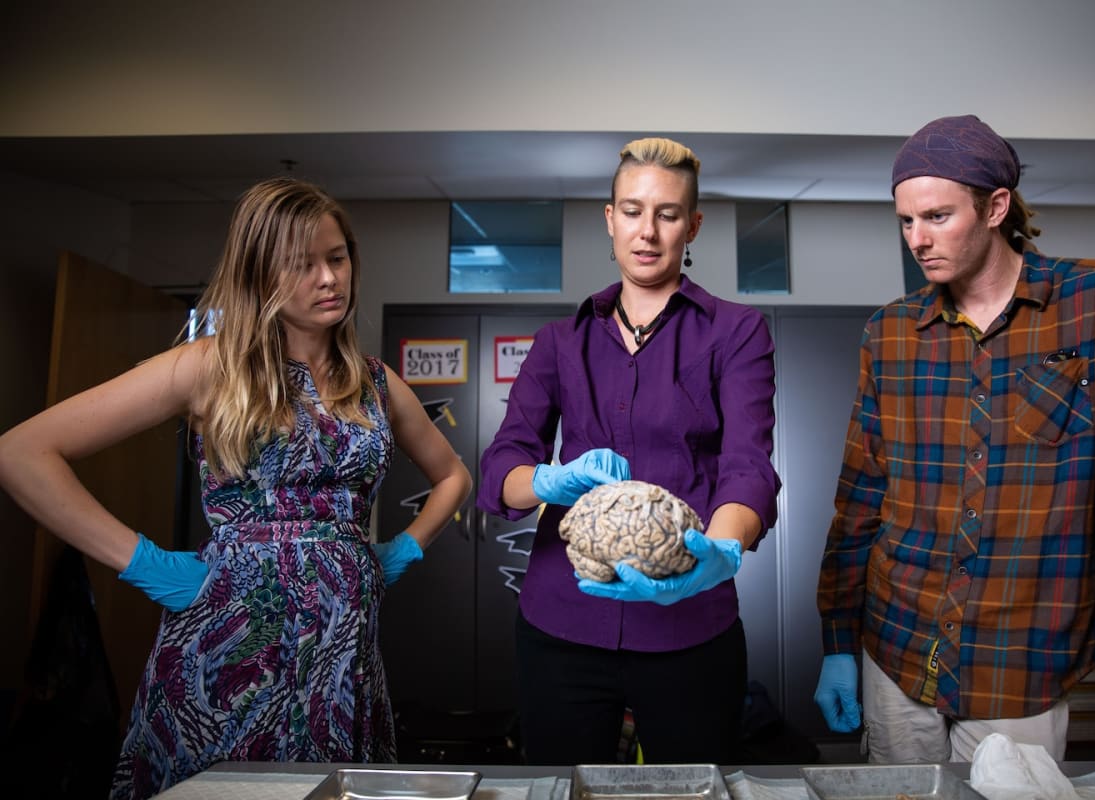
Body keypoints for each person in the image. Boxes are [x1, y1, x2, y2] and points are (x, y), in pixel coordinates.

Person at [0, 177, 472, 798]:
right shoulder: (208, 367)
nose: (329, 278)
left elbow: (453, 476)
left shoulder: (376, 383)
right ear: (259, 274)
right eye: (302, 265)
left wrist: (402, 550)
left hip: (342, 650)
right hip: (227, 644)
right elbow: (23, 453)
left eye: (337, 258)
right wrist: (144, 562)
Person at [813, 114, 1095, 764]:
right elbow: (858, 504)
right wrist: (835, 643)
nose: (917, 239)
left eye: (936, 217)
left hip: (1023, 654)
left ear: (995, 207)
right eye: (905, 221)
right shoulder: (890, 333)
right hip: (897, 644)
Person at [477, 137, 781, 765]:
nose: (648, 232)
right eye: (633, 211)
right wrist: (549, 480)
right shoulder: (560, 343)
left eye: (667, 214)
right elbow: (500, 468)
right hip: (563, 621)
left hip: (691, 618)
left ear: (692, 225)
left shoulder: (736, 332)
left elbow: (747, 465)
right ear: (609, 219)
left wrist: (721, 552)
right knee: (561, 788)